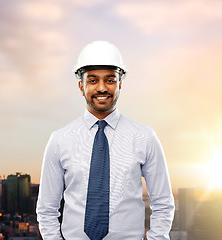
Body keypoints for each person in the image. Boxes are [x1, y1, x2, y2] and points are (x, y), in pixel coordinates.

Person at [36, 40, 174, 240]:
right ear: (81, 86)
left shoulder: (145, 137)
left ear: (120, 84)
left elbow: (163, 203)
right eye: (92, 80)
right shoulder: (59, 140)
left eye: (110, 80)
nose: (102, 88)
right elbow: (47, 209)